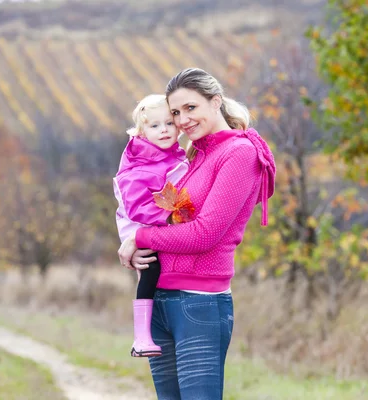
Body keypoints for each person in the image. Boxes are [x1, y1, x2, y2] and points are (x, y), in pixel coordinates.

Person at [117, 68, 276, 400]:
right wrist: (132, 241)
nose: (182, 120)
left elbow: (205, 234)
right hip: (160, 299)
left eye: (191, 108)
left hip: (198, 303)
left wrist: (140, 239)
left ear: (215, 102)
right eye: (176, 112)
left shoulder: (238, 154)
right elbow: (164, 216)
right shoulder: (194, 155)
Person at [113, 94, 189, 358]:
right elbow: (136, 205)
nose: (164, 130)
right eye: (155, 126)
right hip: (137, 223)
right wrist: (168, 216)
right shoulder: (139, 161)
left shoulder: (174, 155)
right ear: (142, 132)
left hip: (157, 221)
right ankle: (141, 337)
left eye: (169, 123)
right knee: (150, 266)